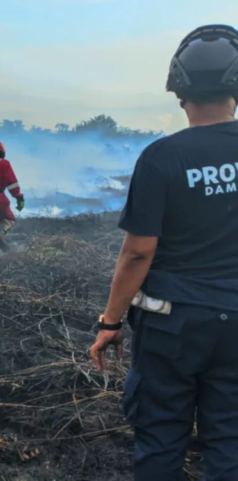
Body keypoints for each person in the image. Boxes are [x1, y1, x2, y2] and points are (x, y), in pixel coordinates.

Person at [89, 24, 238, 480]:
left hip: (171, 326)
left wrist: (110, 323)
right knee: (230, 441)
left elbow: (137, 253)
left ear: (178, 92)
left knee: (160, 440)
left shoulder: (161, 157)